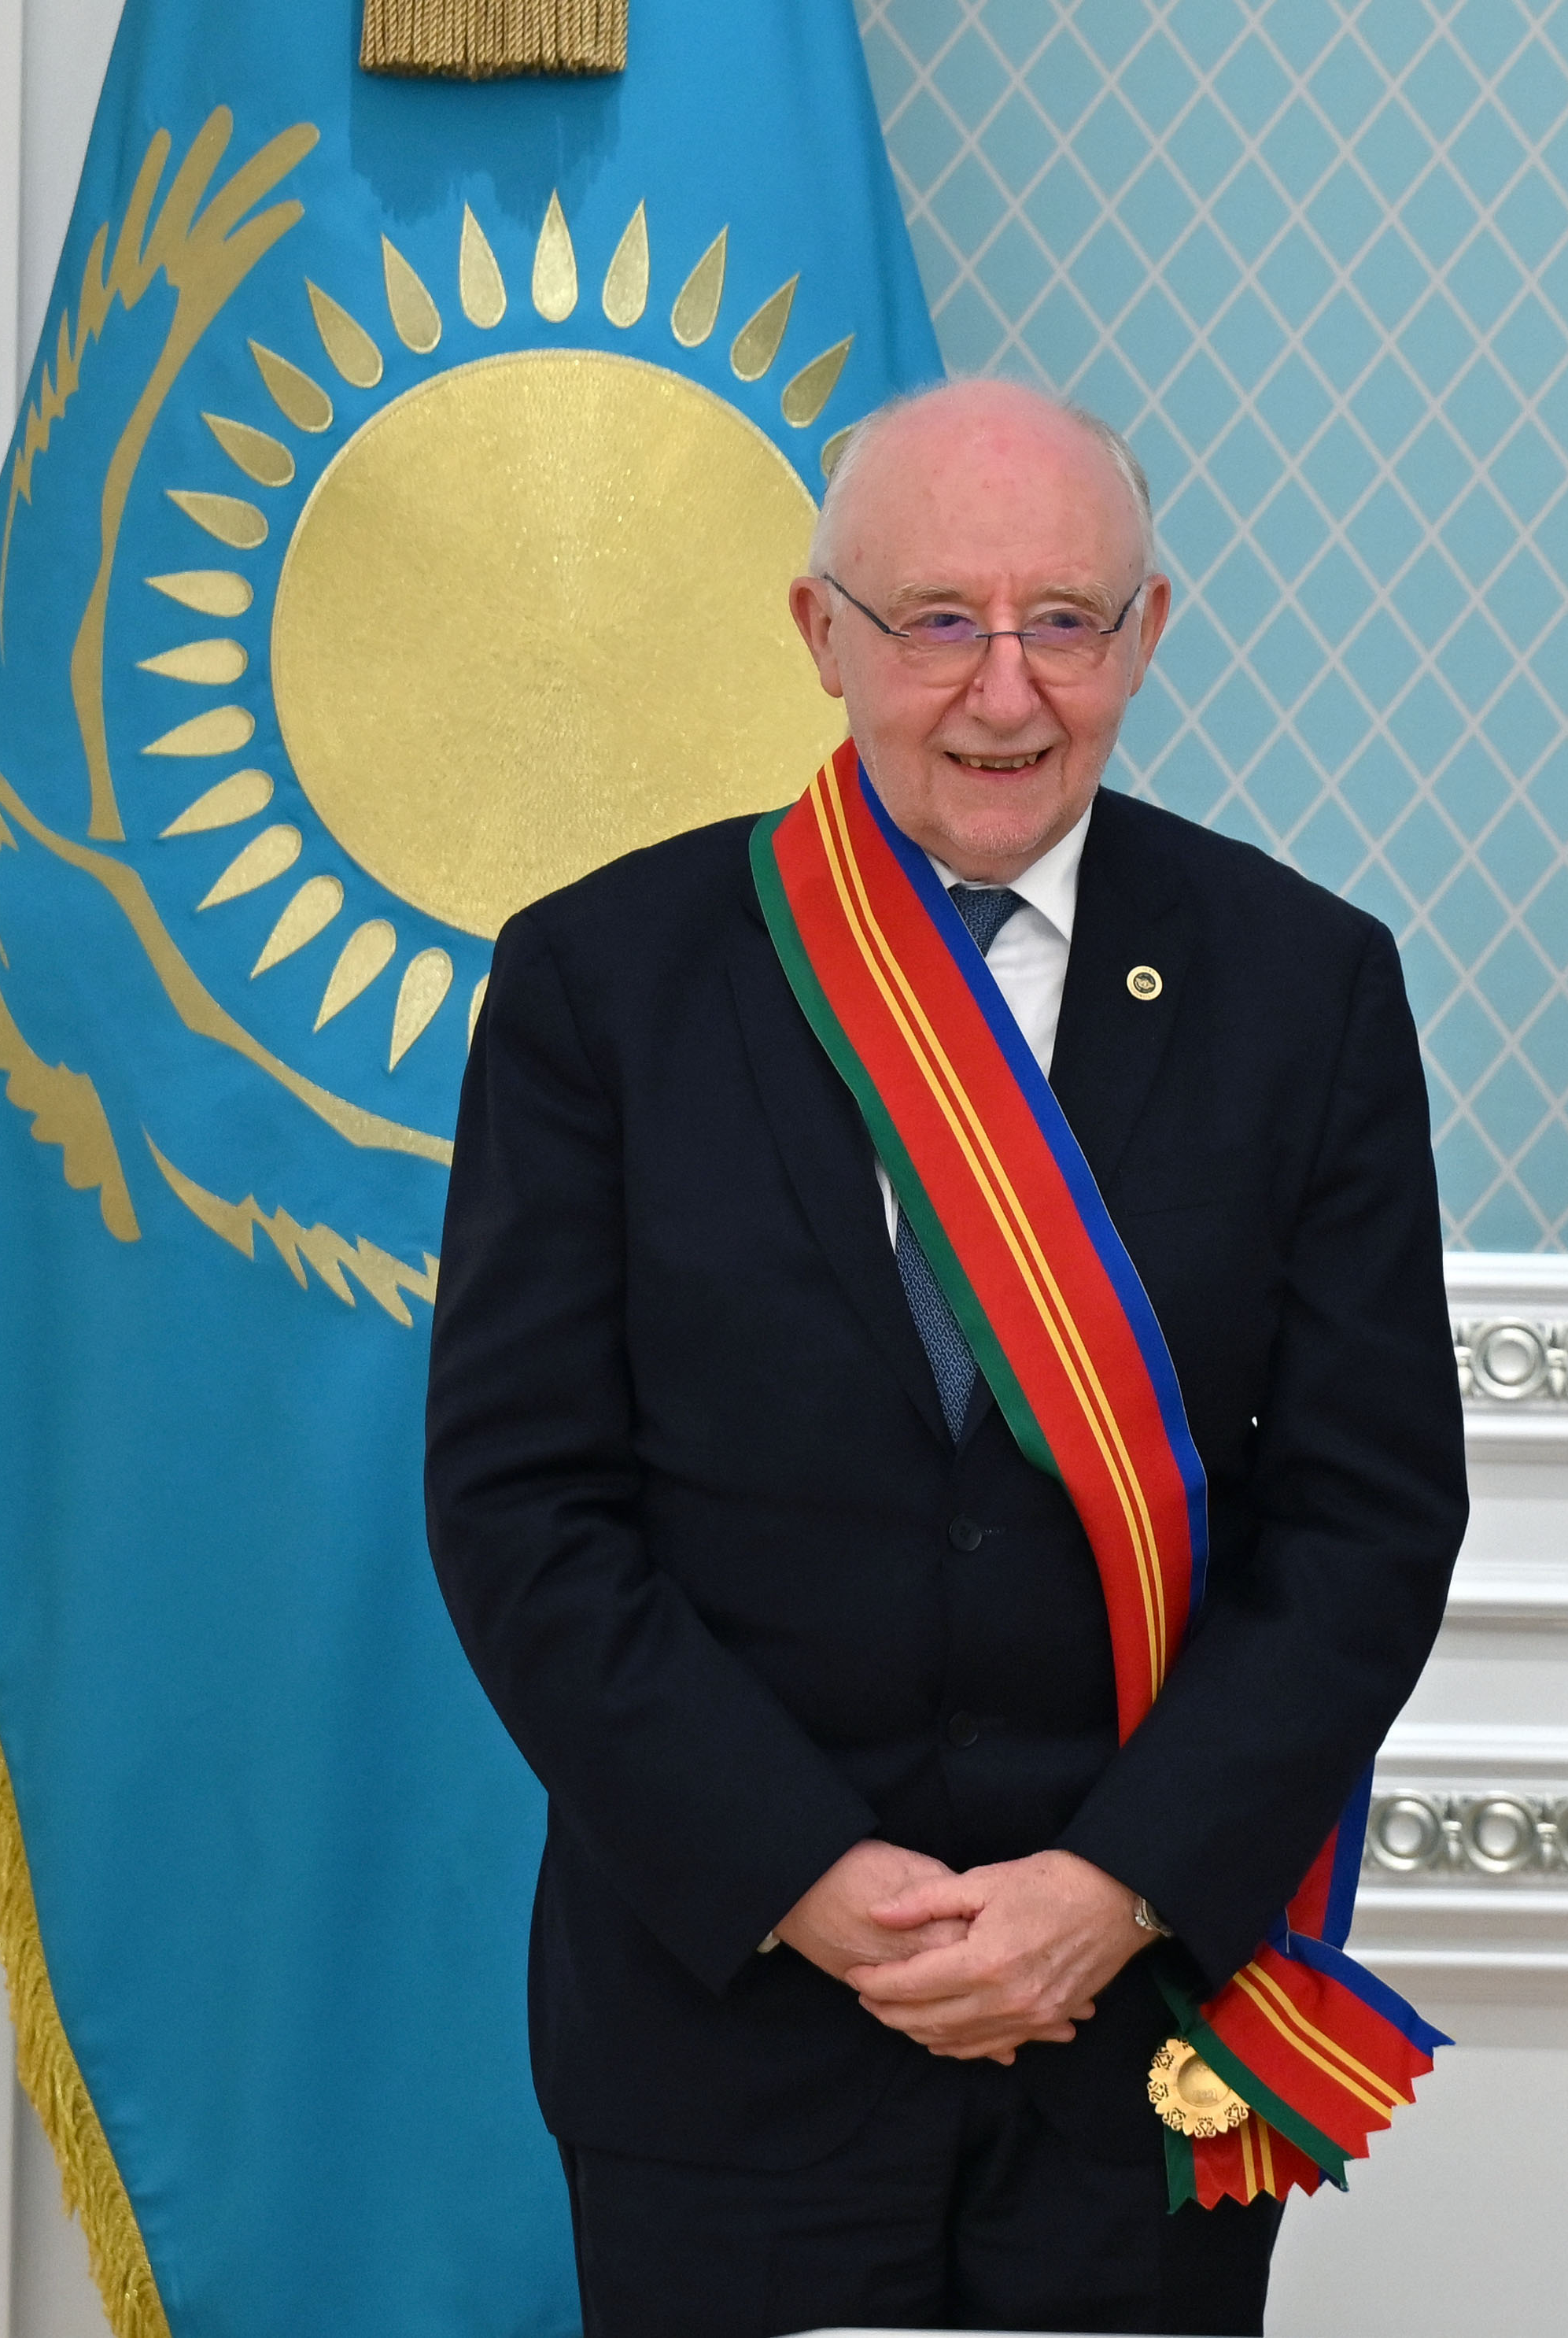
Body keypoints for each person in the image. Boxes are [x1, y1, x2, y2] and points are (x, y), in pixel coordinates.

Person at [426, 378, 1466, 2336]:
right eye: (936, 622)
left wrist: (1114, 1887)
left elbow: (1366, 1518)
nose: (1005, 690)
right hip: (728, 2029)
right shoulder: (603, 980)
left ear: (1148, 634)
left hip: (1134, 2025)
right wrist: (809, 1876)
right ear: (819, 634)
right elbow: (523, 1509)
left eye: (1063, 620)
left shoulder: (1301, 983)